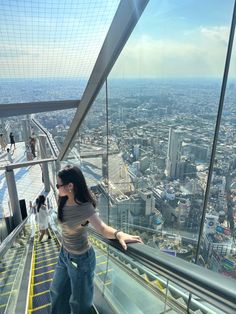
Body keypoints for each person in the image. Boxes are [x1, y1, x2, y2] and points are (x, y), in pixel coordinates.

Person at [50, 165, 142, 314]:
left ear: (70, 186)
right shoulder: (62, 200)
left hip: (81, 260)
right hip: (64, 254)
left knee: (79, 305)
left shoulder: (85, 208)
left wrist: (119, 234)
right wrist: (82, 225)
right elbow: (73, 223)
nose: (56, 188)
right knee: (56, 292)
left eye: (58, 185)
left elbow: (103, 229)